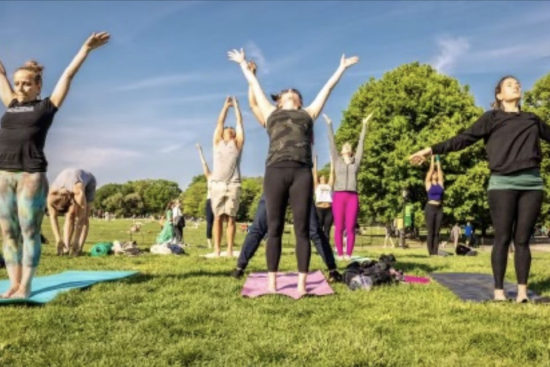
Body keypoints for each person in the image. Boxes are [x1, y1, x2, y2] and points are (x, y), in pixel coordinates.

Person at [409, 75, 550, 303]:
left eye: (518, 83)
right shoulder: (491, 118)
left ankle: (522, 293)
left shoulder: (532, 119)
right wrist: (430, 150)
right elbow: (463, 139)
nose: (516, 85)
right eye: (509, 84)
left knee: (522, 240)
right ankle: (499, 292)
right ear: (499, 95)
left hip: (532, 184)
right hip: (502, 184)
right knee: (503, 238)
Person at [229, 49, 358, 295]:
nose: (291, 93)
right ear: (279, 100)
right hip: (275, 171)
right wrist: (243, 65)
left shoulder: (308, 113)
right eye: (286, 92)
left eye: (294, 93)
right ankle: (272, 283)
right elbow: (254, 87)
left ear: (298, 100)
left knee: (302, 230)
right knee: (274, 227)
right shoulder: (270, 112)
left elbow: (327, 90)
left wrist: (341, 68)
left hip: (301, 174)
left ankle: (301, 283)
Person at [0, 32, 109, 299]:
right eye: (17, 83)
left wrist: (85, 49)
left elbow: (68, 76)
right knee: (8, 233)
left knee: (28, 230)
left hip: (30, 175)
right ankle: (13, 283)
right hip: (3, 173)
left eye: (26, 84)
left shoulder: (46, 107)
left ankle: (26, 285)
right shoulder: (11, 105)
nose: (20, 88)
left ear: (38, 86)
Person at [231, 194, 342, 282]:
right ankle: (240, 268)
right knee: (258, 228)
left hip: (299, 181)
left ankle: (333, 269)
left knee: (315, 230)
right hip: (276, 179)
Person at [324, 112, 372, 260]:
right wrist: (329, 124)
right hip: (339, 196)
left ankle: (349, 254)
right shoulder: (337, 160)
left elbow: (361, 145)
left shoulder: (355, 162)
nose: (346, 146)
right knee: (339, 227)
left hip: (352, 196)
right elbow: (332, 142)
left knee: (350, 227)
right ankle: (340, 253)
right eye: (344, 146)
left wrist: (364, 125)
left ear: (350, 151)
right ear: (341, 151)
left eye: (348, 146)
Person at [210, 96, 244, 257]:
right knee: (217, 217)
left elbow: (239, 123)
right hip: (217, 184)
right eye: (226, 130)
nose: (229, 130)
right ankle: (217, 249)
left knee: (231, 218)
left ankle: (229, 250)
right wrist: (225, 107)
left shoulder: (237, 144)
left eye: (232, 130)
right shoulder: (217, 142)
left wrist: (236, 107)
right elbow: (219, 123)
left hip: (233, 184)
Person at [47, 168, 97, 256]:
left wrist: (76, 240)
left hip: (88, 182)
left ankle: (78, 247)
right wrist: (58, 239)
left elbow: (81, 218)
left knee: (84, 217)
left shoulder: (78, 192)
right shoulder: (51, 196)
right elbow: (52, 217)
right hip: (68, 182)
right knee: (70, 215)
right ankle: (65, 247)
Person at [424, 155, 444, 256]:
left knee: (437, 232)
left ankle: (435, 252)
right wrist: (432, 158)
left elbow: (439, 170)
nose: (435, 173)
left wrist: (438, 159)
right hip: (430, 208)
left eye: (436, 173)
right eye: (434, 173)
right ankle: (430, 252)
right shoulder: (428, 183)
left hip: (439, 208)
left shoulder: (440, 183)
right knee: (430, 231)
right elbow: (431, 169)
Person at [196, 143, 214, 248]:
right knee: (210, 222)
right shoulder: (210, 176)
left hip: (219, 201)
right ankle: (209, 242)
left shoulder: (221, 178)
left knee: (219, 221)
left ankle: (218, 240)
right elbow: (204, 163)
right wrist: (200, 151)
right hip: (210, 201)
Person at [313, 155, 334, 242]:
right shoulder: (317, 185)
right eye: (321, 176)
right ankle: (320, 246)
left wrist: (332, 160)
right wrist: (315, 161)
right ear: (319, 178)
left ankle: (326, 247)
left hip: (329, 209)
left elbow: (332, 173)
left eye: (324, 176)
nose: (323, 177)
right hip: (319, 209)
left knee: (327, 230)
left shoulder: (329, 185)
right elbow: (314, 173)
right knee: (319, 229)